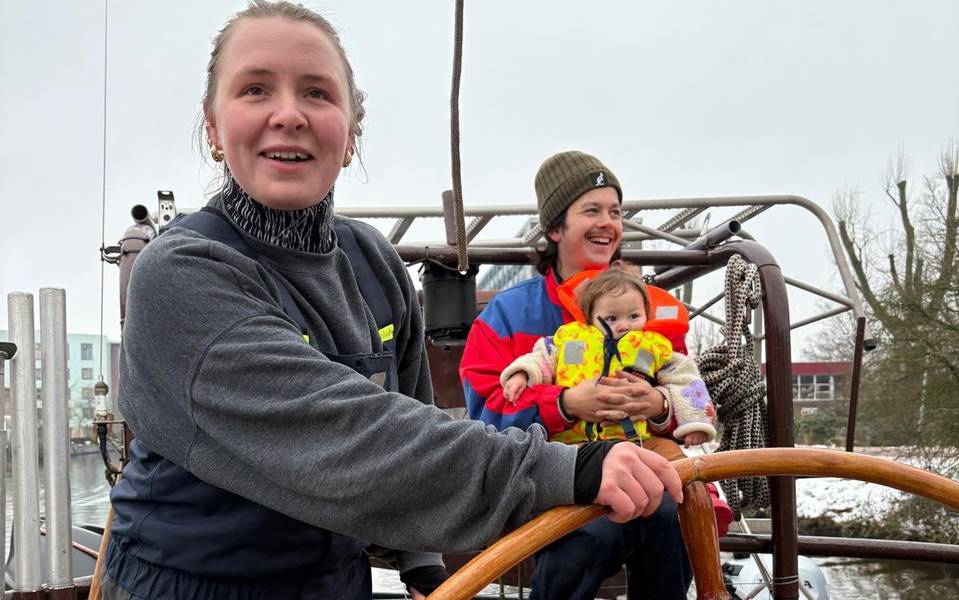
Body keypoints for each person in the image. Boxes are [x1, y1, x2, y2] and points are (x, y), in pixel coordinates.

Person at [101, 3, 684, 600]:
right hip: (192, 585)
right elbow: (347, 435)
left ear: (351, 133)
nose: (288, 115)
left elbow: (412, 418)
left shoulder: (372, 260)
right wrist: (571, 463)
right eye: (254, 89)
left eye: (318, 94)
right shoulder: (180, 273)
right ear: (213, 128)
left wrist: (423, 568)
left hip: (336, 580)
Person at [461, 150, 725, 599]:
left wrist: (660, 408)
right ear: (554, 228)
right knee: (590, 534)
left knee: (670, 510)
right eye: (592, 210)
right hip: (553, 475)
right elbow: (487, 415)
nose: (608, 222)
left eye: (616, 212)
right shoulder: (507, 314)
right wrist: (565, 404)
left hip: (644, 461)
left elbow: (688, 392)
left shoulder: (648, 315)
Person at [500, 263, 718, 448]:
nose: (623, 325)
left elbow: (685, 379)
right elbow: (540, 358)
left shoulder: (654, 346)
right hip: (573, 447)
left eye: (634, 316)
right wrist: (521, 374)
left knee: (677, 467)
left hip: (637, 445)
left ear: (646, 313)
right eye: (611, 319)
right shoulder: (569, 339)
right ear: (591, 317)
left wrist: (695, 422)